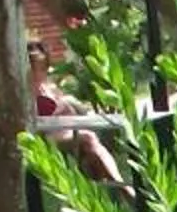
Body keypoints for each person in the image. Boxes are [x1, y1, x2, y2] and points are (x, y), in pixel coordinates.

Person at [28, 39, 127, 195]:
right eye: (35, 68)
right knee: (88, 138)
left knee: (91, 153)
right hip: (49, 136)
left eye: (41, 67)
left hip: (70, 131)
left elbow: (77, 108)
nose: (39, 72)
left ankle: (105, 192)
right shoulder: (27, 92)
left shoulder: (50, 87)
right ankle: (124, 189)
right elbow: (36, 119)